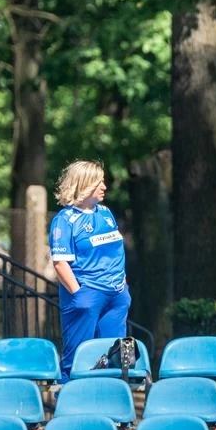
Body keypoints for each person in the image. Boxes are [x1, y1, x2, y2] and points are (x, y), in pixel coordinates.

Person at [49, 160, 131, 379]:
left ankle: (114, 396)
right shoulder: (64, 220)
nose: (104, 187)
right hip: (87, 295)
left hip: (116, 294)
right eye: (98, 182)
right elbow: (60, 262)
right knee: (78, 359)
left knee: (117, 358)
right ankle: (68, 396)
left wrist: (123, 286)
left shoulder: (106, 213)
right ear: (84, 185)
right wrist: (80, 295)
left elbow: (115, 251)